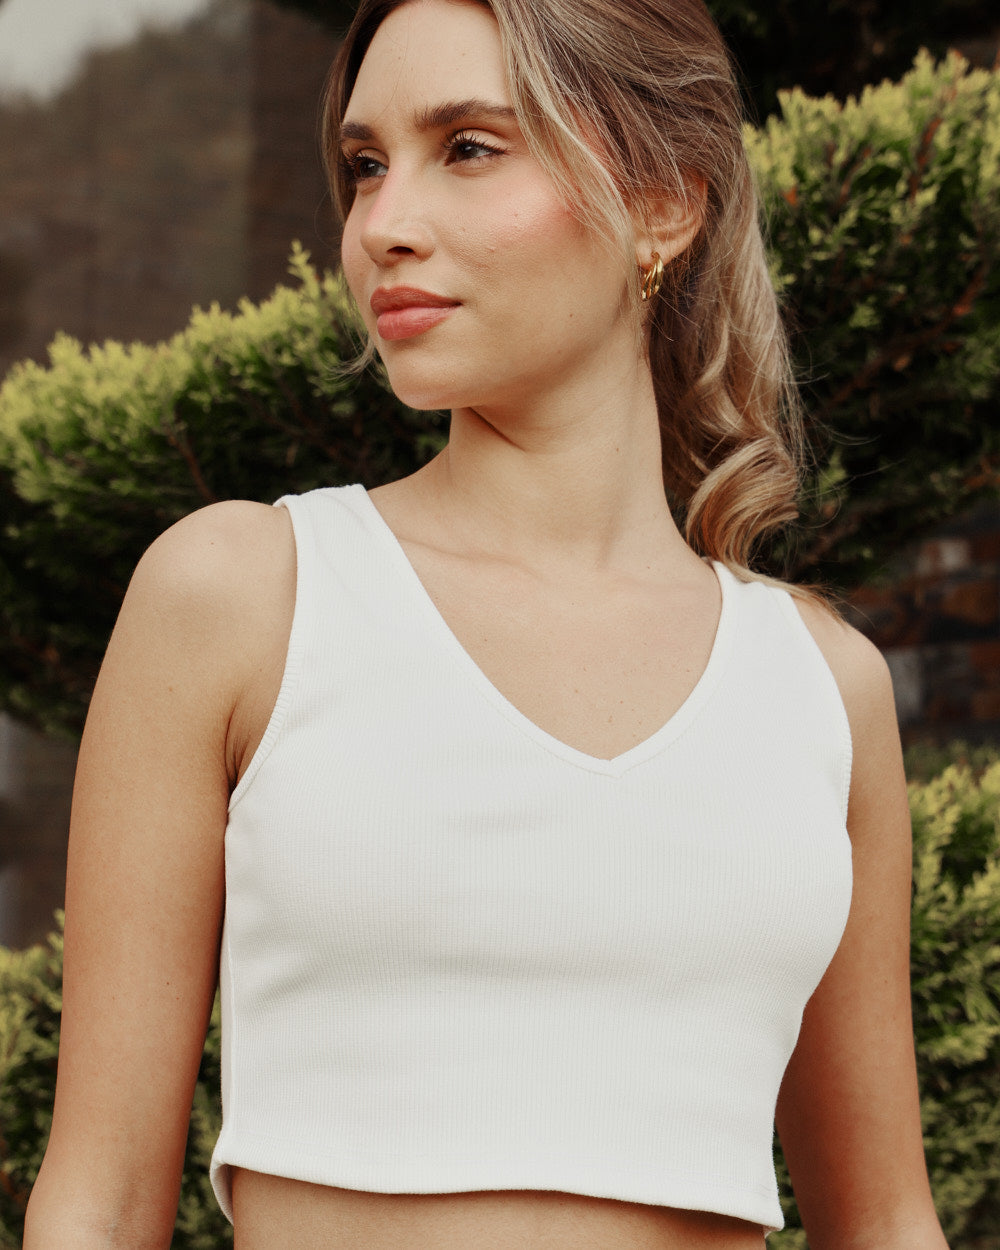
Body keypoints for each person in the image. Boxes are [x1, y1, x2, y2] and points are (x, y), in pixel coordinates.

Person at [24, 0, 950, 1247]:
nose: (382, 225)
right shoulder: (245, 595)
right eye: (365, 165)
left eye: (467, 146)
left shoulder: (818, 686)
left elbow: (887, 1222)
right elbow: (96, 1205)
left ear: (663, 202)